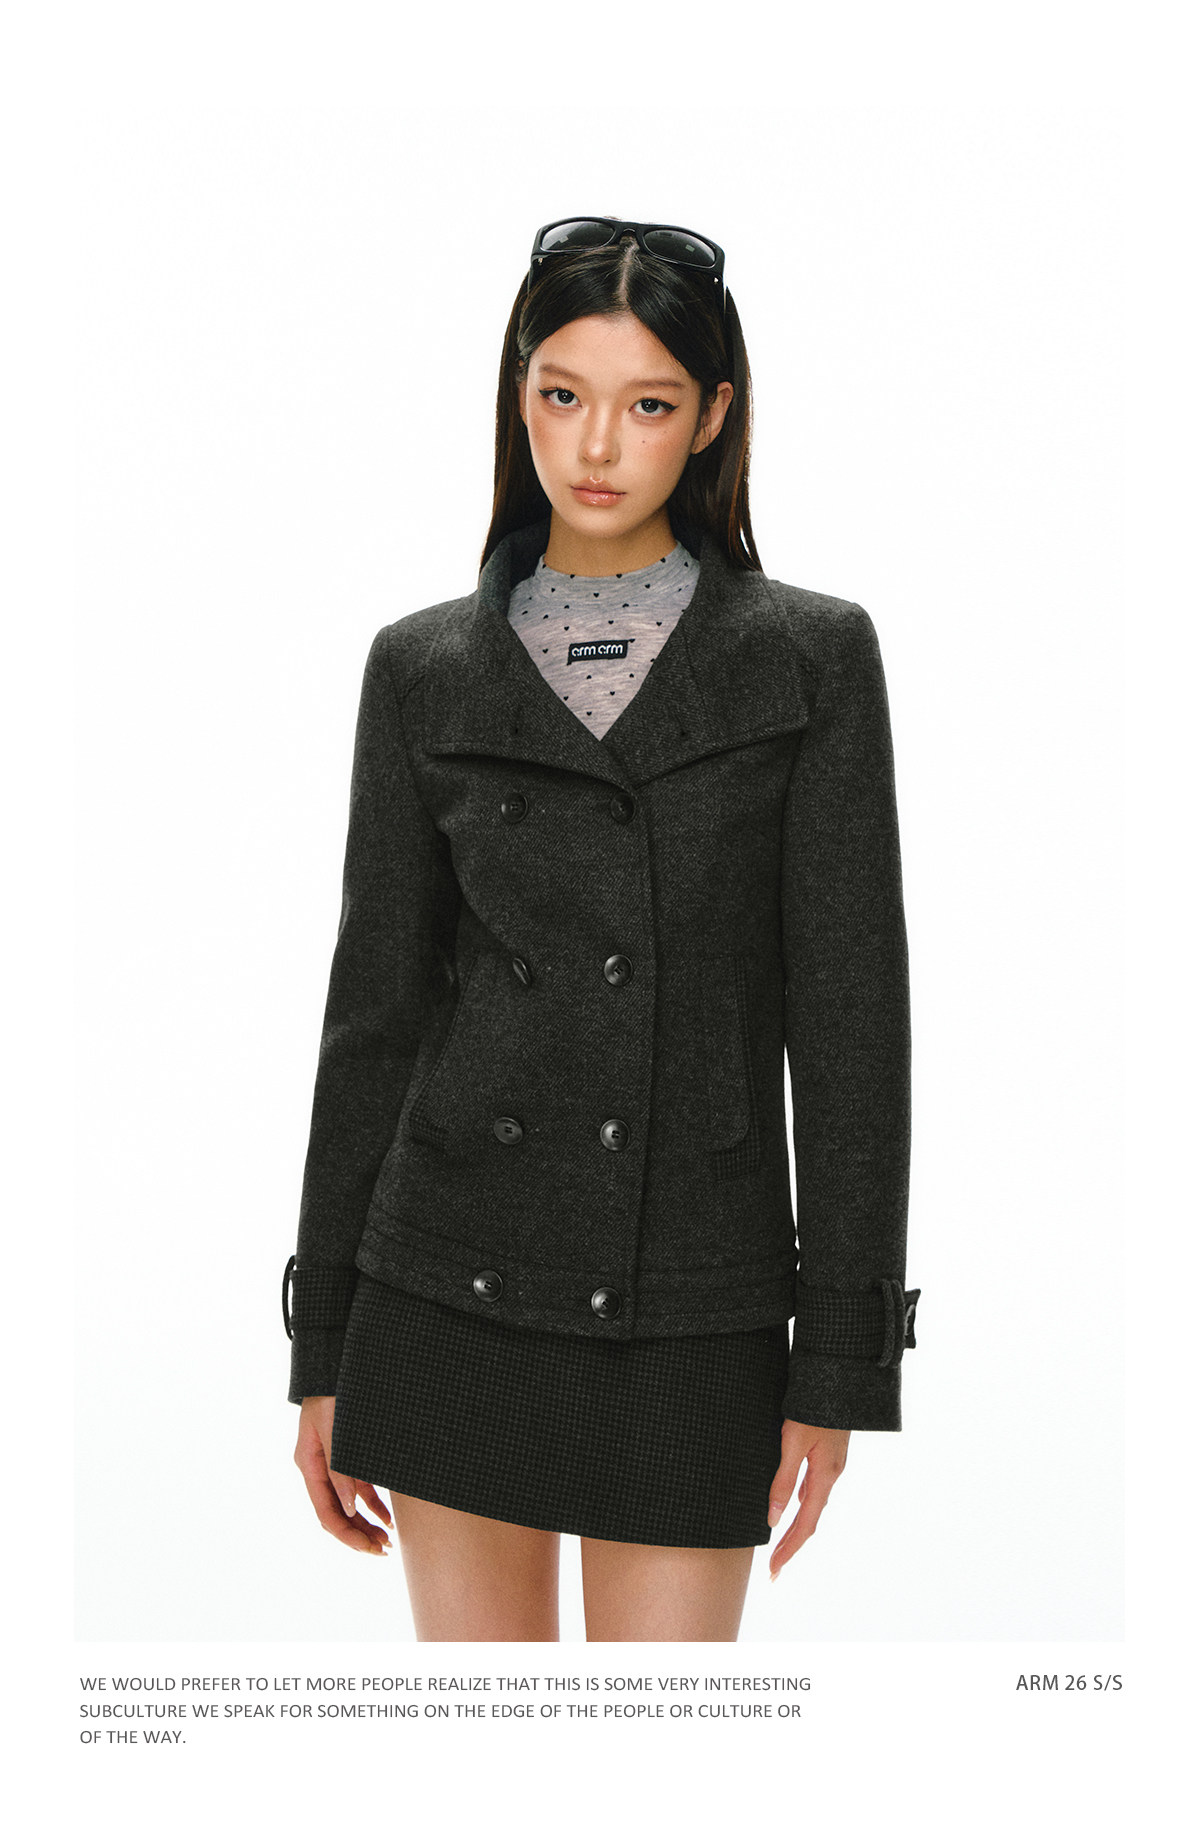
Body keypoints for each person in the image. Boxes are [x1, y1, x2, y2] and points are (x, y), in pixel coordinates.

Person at [283, 216, 920, 1643]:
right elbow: (374, 1019)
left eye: (648, 405)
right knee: (492, 1739)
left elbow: (851, 1028)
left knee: (659, 1741)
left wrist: (840, 1361)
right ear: (518, 395)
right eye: (563, 394)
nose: (596, 446)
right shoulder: (422, 669)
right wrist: (324, 1341)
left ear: (714, 416)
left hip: (696, 1295)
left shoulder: (809, 657)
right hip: (448, 1282)